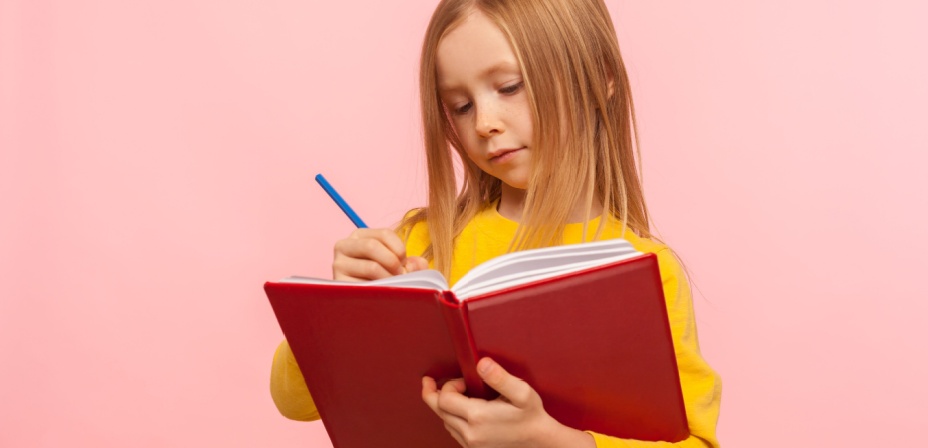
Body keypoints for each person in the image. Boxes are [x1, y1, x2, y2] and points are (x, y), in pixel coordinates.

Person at [270, 0, 722, 446]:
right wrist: (340, 312)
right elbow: (293, 402)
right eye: (462, 106)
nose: (484, 123)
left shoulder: (646, 268)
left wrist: (557, 443)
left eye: (509, 87)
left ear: (600, 78)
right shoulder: (419, 244)